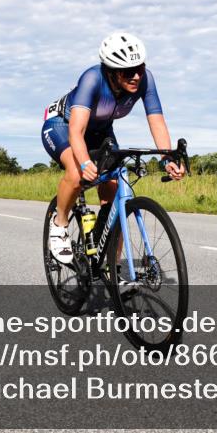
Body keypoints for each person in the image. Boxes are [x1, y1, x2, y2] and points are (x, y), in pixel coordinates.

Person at [40, 32, 185, 263]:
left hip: (101, 131)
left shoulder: (145, 80)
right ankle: (60, 224)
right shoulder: (92, 78)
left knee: (115, 189)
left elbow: (156, 120)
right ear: (111, 71)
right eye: (128, 72)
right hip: (63, 126)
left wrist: (167, 158)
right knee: (76, 173)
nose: (136, 76)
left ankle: (111, 267)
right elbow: (76, 131)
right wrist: (85, 162)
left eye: (140, 68)